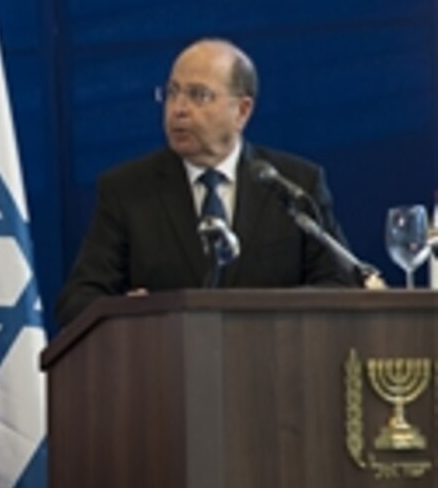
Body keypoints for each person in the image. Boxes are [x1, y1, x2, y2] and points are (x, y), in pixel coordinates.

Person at [55, 38, 359, 327]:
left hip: (275, 366)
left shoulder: (294, 184)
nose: (179, 109)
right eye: (172, 92)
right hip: (166, 368)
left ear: (242, 110)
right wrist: (124, 312)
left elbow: (341, 283)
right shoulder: (127, 190)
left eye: (198, 95)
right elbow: (76, 302)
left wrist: (269, 315)